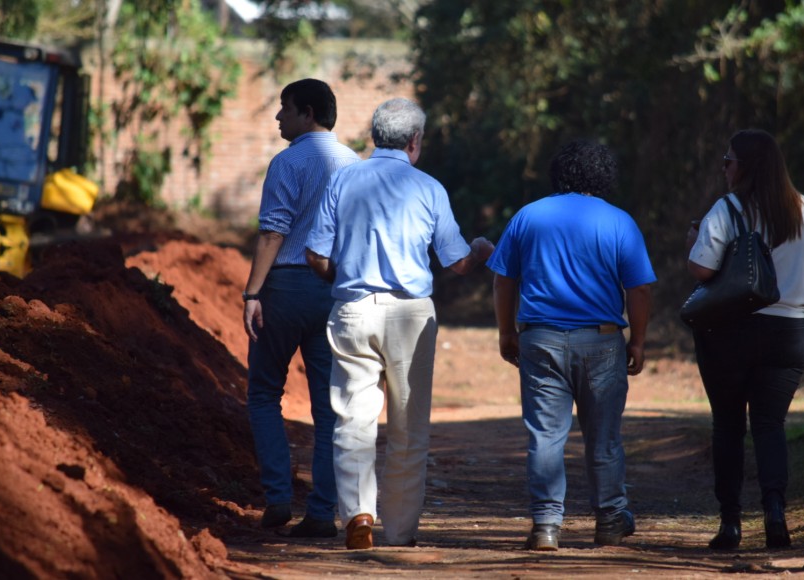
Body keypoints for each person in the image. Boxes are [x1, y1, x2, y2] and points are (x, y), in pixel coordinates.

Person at [305, 97, 495, 550]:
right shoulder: (429, 188)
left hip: (352, 309)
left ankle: (358, 516)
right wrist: (484, 249)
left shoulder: (343, 179)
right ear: (415, 141)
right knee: (409, 424)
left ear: (374, 136)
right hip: (410, 314)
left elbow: (315, 253)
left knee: (352, 416)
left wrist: (345, 278)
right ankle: (401, 529)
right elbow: (459, 263)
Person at [487, 140, 655, 551]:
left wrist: (507, 332)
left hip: (539, 338)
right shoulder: (618, 222)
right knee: (604, 437)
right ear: (603, 176)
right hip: (601, 341)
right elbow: (639, 289)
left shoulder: (528, 216)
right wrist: (639, 340)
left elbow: (504, 280)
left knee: (545, 435)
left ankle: (546, 526)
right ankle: (611, 520)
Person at [686, 129, 804, 550]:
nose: (724, 167)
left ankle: (730, 523)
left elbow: (701, 269)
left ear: (745, 166)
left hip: (730, 332)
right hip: (788, 333)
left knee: (729, 426)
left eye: (728, 159)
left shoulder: (728, 208)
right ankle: (775, 512)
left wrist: (693, 242)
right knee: (771, 425)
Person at [243, 78, 360, 538]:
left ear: (307, 113)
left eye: (284, 108)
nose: (278, 117)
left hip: (286, 287)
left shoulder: (287, 161)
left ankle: (276, 499)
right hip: (334, 290)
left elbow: (273, 232)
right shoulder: (354, 164)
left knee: (263, 392)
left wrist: (253, 293)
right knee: (329, 407)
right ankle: (321, 511)